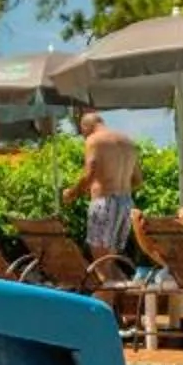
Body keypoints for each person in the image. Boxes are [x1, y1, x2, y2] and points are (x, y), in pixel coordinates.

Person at [63, 111, 142, 259]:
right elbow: (137, 180)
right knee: (110, 258)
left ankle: (104, 275)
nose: (83, 137)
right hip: (126, 203)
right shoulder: (128, 142)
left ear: (85, 127)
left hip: (105, 202)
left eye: (82, 133)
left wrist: (72, 193)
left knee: (99, 257)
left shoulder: (94, 140)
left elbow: (90, 173)